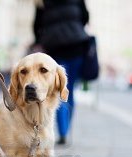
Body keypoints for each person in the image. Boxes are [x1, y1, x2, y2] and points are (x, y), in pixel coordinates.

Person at [33, 0, 90, 144]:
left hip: (54, 49)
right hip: (76, 47)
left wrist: (41, 40)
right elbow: (85, 17)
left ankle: (63, 130)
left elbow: (36, 26)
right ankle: (66, 129)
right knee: (69, 90)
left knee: (58, 90)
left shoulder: (43, 2)